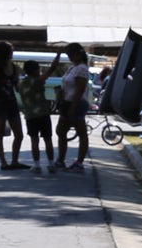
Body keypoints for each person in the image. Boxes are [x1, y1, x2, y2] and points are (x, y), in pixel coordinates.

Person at [0, 42, 23, 169]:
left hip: (11, 102)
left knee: (19, 134)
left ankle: (14, 161)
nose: (12, 53)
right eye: (10, 50)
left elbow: (17, 88)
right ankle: (3, 162)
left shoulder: (14, 68)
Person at [54, 43, 91, 173]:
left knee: (81, 133)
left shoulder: (81, 69)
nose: (70, 57)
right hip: (67, 101)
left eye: (71, 55)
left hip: (77, 103)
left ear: (78, 54)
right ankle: (60, 159)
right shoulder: (72, 68)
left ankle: (79, 162)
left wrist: (73, 106)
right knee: (61, 131)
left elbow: (80, 89)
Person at [18, 61, 52, 171]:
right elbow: (52, 69)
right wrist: (58, 55)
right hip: (43, 114)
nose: (40, 71)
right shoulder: (39, 81)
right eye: (38, 69)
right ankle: (51, 164)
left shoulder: (21, 83)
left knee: (34, 140)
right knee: (48, 139)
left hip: (30, 116)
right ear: (34, 70)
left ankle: (37, 165)